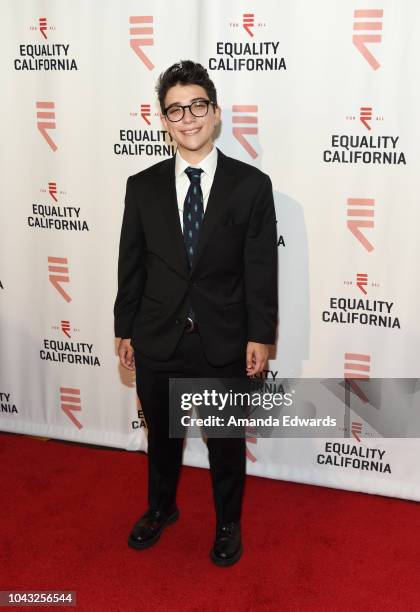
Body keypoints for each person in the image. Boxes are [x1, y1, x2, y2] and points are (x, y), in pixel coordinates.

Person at [114, 60, 278, 567]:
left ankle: (228, 523)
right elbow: (131, 263)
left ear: (216, 112)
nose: (187, 118)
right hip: (158, 335)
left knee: (225, 444)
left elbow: (260, 267)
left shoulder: (250, 185)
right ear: (164, 120)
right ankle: (161, 508)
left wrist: (261, 334)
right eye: (175, 110)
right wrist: (124, 328)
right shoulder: (141, 186)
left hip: (223, 339)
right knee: (161, 436)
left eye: (197, 106)